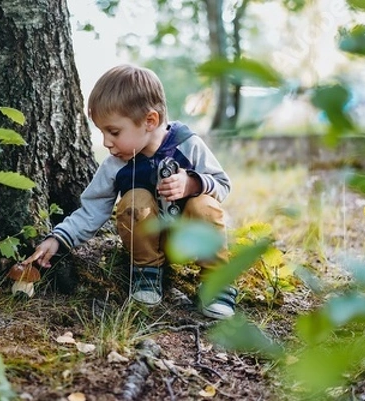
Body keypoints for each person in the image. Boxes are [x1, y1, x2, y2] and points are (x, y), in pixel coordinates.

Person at [24, 64, 237, 319]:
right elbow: (92, 210)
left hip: (191, 239)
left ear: (150, 121)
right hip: (152, 244)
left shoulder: (187, 144)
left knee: (204, 204)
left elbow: (222, 185)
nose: (106, 142)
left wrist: (193, 184)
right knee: (135, 200)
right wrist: (58, 239)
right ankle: (146, 274)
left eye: (113, 132)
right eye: (102, 132)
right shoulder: (116, 165)